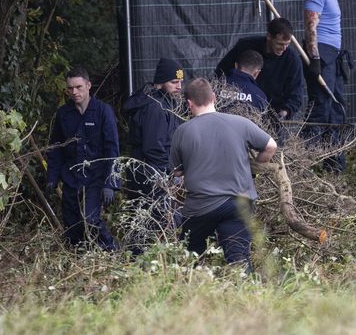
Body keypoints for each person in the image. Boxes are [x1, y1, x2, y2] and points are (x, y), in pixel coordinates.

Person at [170, 78, 277, 269]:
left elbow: (177, 172)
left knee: (190, 257)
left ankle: (195, 279)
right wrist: (255, 167)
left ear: (189, 104)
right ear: (213, 97)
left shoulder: (182, 131)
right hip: (239, 204)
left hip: (201, 207)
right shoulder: (241, 123)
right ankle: (244, 284)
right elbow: (271, 146)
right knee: (239, 260)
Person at [47, 67, 120, 250]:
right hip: (72, 175)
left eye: (78, 87)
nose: (74, 92)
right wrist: (52, 177)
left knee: (90, 219)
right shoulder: (63, 114)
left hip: (96, 176)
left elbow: (112, 149)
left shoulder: (103, 111)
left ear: (88, 85)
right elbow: (56, 147)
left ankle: (112, 250)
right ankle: (78, 256)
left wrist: (110, 183)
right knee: (72, 224)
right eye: (70, 88)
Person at [122, 57, 185, 248]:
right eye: (174, 82)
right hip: (151, 174)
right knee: (156, 221)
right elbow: (154, 147)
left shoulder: (166, 102)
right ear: (161, 82)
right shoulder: (154, 107)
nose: (179, 87)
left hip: (154, 171)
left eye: (180, 82)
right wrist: (169, 175)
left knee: (150, 221)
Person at [303, 0, 356, 172]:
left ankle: (333, 165)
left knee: (335, 108)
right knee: (321, 107)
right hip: (322, 53)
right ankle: (302, 161)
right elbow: (311, 24)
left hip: (333, 54)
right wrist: (315, 57)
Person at [216, 17, 304, 121]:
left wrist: (284, 113)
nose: (284, 48)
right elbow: (221, 72)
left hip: (273, 112)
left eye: (287, 44)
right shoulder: (245, 46)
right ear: (269, 36)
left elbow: (296, 94)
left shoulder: (292, 59)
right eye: (280, 44)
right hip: (240, 106)